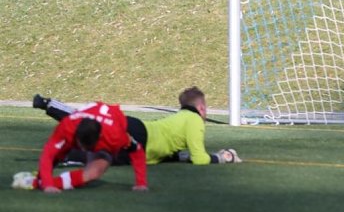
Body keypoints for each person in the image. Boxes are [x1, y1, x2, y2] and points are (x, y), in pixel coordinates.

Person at [32, 86, 241, 166]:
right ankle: (49, 104)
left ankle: (64, 155)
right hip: (140, 135)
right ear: (202, 108)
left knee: (104, 155)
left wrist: (180, 156)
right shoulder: (195, 121)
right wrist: (224, 157)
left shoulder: (182, 117)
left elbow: (170, 151)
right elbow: (200, 159)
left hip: (140, 144)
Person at [12, 101, 147, 193]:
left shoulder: (116, 137)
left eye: (86, 147)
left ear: (98, 139)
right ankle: (40, 179)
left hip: (111, 125)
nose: (83, 151)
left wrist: (141, 183)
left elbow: (138, 151)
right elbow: (48, 153)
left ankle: (35, 182)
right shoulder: (67, 126)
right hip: (81, 128)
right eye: (80, 145)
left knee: (94, 172)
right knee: (58, 154)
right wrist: (47, 184)